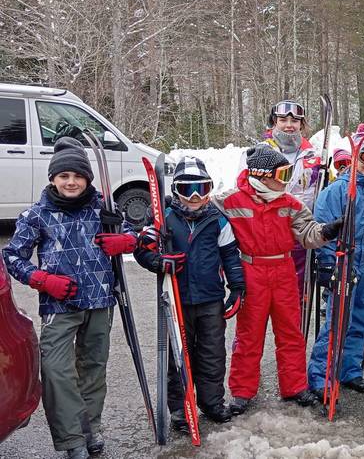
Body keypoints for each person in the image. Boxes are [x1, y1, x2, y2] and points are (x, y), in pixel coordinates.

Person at [2, 137, 137, 459]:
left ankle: (91, 430)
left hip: (101, 301)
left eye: (77, 176)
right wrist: (40, 279)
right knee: (56, 372)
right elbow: (12, 256)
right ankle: (71, 439)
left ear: (87, 178)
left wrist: (125, 241)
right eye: (64, 176)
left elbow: (139, 233)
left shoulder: (104, 207)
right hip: (58, 305)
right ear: (53, 179)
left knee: (93, 369)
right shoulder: (36, 215)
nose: (71, 182)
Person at [212, 145, 343, 415]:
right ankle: (242, 391)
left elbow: (309, 233)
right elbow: (202, 207)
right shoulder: (231, 200)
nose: (286, 180)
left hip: (283, 271)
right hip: (251, 271)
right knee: (249, 335)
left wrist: (327, 231)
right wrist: (177, 207)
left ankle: (294, 386)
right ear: (261, 174)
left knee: (290, 332)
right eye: (281, 174)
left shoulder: (290, 202)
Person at [133, 156, 245, 430]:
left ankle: (212, 403)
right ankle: (181, 411)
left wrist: (237, 287)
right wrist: (160, 262)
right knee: (179, 356)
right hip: (176, 299)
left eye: (202, 189)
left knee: (212, 354)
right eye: (187, 189)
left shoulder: (218, 220)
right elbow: (142, 250)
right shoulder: (165, 218)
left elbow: (230, 256)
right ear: (176, 192)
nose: (195, 196)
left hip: (210, 299)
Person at [307, 124, 364, 397]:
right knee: (338, 318)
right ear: (355, 156)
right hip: (344, 255)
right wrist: (327, 263)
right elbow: (323, 228)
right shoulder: (336, 191)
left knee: (361, 317)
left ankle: (350, 369)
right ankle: (321, 375)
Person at [263, 100, 321, 299]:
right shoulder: (260, 153)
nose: (289, 124)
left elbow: (321, 194)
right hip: (268, 237)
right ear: (274, 122)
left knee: (296, 298)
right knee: (265, 300)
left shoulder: (312, 156)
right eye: (283, 120)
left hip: (300, 237)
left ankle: (295, 330)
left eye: (294, 120)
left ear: (301, 124)